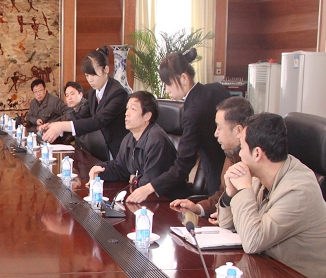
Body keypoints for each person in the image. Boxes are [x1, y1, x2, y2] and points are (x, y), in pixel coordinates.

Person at [217, 113, 326, 278]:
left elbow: (252, 242)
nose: (240, 155)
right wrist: (230, 194)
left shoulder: (299, 190)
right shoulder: (260, 175)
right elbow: (226, 226)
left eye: (242, 148)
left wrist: (244, 189)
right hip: (273, 276)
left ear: (257, 153)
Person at [127, 49, 230, 203]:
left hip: (217, 175)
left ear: (183, 78)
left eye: (168, 84)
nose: (167, 89)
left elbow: (183, 164)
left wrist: (149, 188)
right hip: (236, 162)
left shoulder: (192, 113)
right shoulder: (216, 88)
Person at [171, 97, 253, 222]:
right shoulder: (231, 154)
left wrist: (228, 221)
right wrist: (198, 208)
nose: (215, 133)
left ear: (238, 131)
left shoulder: (254, 161)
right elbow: (222, 194)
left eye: (219, 128)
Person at [41, 46, 129, 159]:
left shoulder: (118, 93)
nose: (90, 80)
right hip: (98, 148)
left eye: (93, 74)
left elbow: (98, 121)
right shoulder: (93, 92)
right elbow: (80, 115)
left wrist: (62, 126)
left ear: (106, 69)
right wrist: (54, 125)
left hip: (115, 152)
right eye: (87, 75)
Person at [87, 91, 177, 192]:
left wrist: (135, 179)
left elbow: (151, 182)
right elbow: (120, 168)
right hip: (141, 195)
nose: (126, 113)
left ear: (147, 116)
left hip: (167, 198)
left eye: (133, 109)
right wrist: (100, 169)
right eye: (127, 109)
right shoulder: (129, 138)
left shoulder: (156, 140)